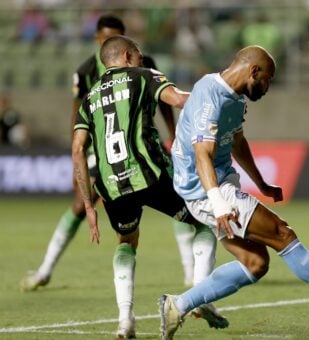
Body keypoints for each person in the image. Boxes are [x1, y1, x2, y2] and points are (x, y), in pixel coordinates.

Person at [156, 45, 309, 340]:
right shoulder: (209, 94)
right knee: (282, 233)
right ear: (254, 71)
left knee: (256, 264)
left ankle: (177, 305)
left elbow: (237, 141)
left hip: (217, 187)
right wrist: (217, 203)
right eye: (267, 79)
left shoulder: (236, 99)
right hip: (205, 191)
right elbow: (202, 153)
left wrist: (261, 182)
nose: (267, 87)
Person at [19, 14, 210, 293]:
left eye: (115, 34)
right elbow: (77, 116)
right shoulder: (85, 71)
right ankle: (45, 270)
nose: (108, 39)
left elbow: (166, 104)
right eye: (105, 36)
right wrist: (79, 162)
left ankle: (188, 272)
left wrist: (173, 136)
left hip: (138, 145)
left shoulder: (144, 65)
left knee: (170, 202)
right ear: (98, 39)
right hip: (100, 151)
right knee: (83, 207)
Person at [72, 35, 227, 339]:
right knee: (205, 223)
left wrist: (89, 205)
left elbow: (77, 149)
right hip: (151, 174)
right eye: (140, 57)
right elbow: (181, 100)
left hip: (111, 186)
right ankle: (198, 297)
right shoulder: (142, 76)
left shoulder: (89, 97)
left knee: (126, 242)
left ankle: (124, 321)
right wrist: (220, 90)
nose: (143, 61)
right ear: (128, 55)